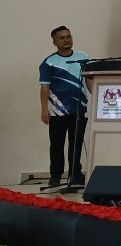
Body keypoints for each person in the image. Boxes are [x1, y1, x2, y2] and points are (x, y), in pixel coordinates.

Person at [39, 26, 89, 191]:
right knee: (57, 144)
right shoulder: (49, 62)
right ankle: (55, 176)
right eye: (62, 38)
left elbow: (89, 80)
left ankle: (75, 174)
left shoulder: (83, 57)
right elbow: (45, 87)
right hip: (57, 111)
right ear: (54, 42)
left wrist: (96, 98)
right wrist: (44, 109)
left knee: (76, 143)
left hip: (79, 109)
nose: (66, 40)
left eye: (68, 36)